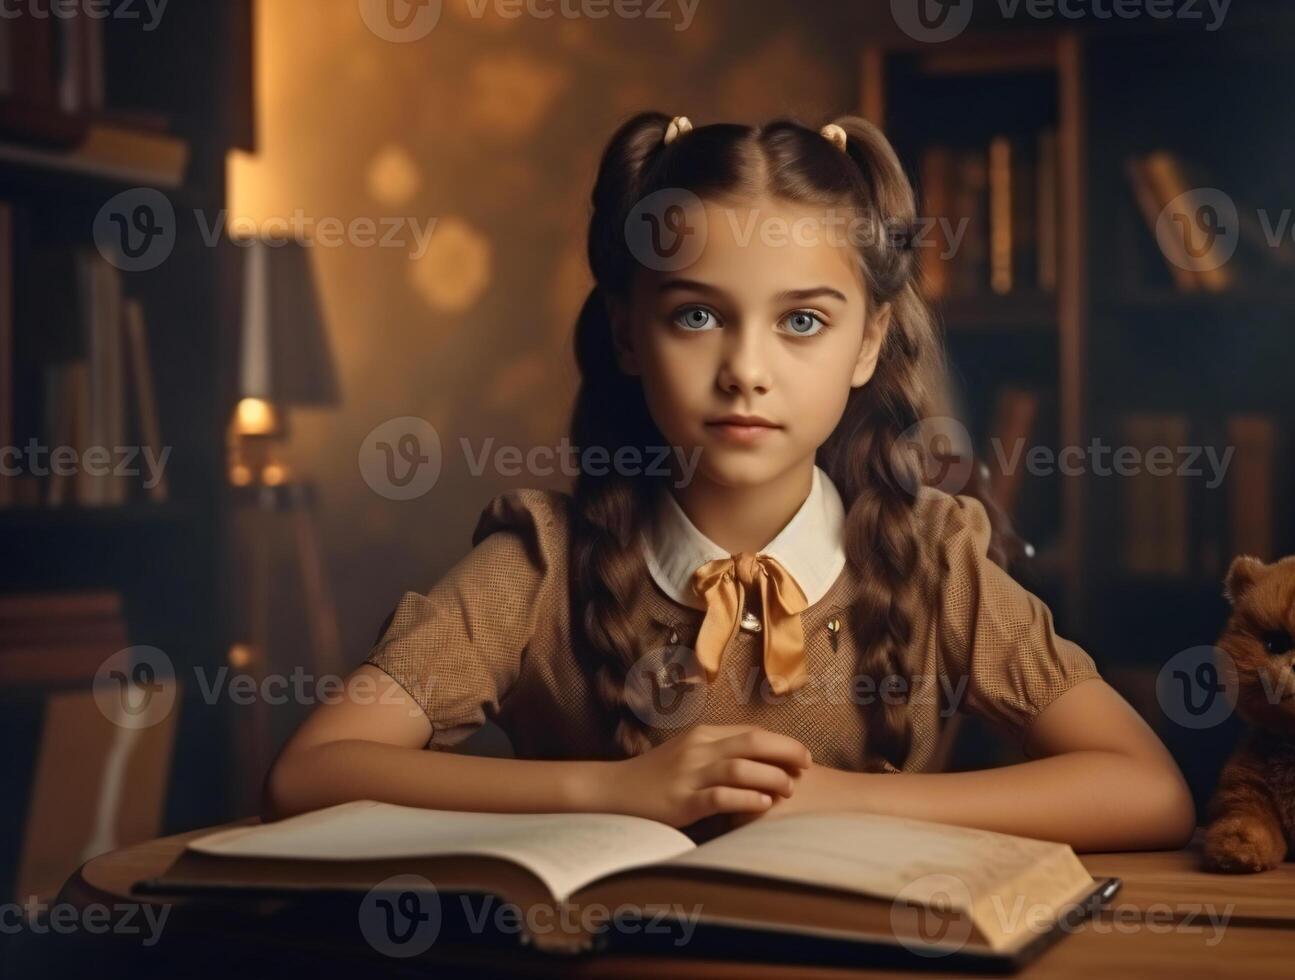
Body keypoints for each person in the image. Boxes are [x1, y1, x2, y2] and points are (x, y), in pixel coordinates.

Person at [263, 113, 1195, 852]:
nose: (746, 368)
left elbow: (1146, 788)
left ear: (868, 342)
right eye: (699, 314)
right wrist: (615, 790)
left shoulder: (930, 558)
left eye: (802, 323)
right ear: (629, 333)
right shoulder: (540, 564)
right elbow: (313, 772)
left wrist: (838, 804)